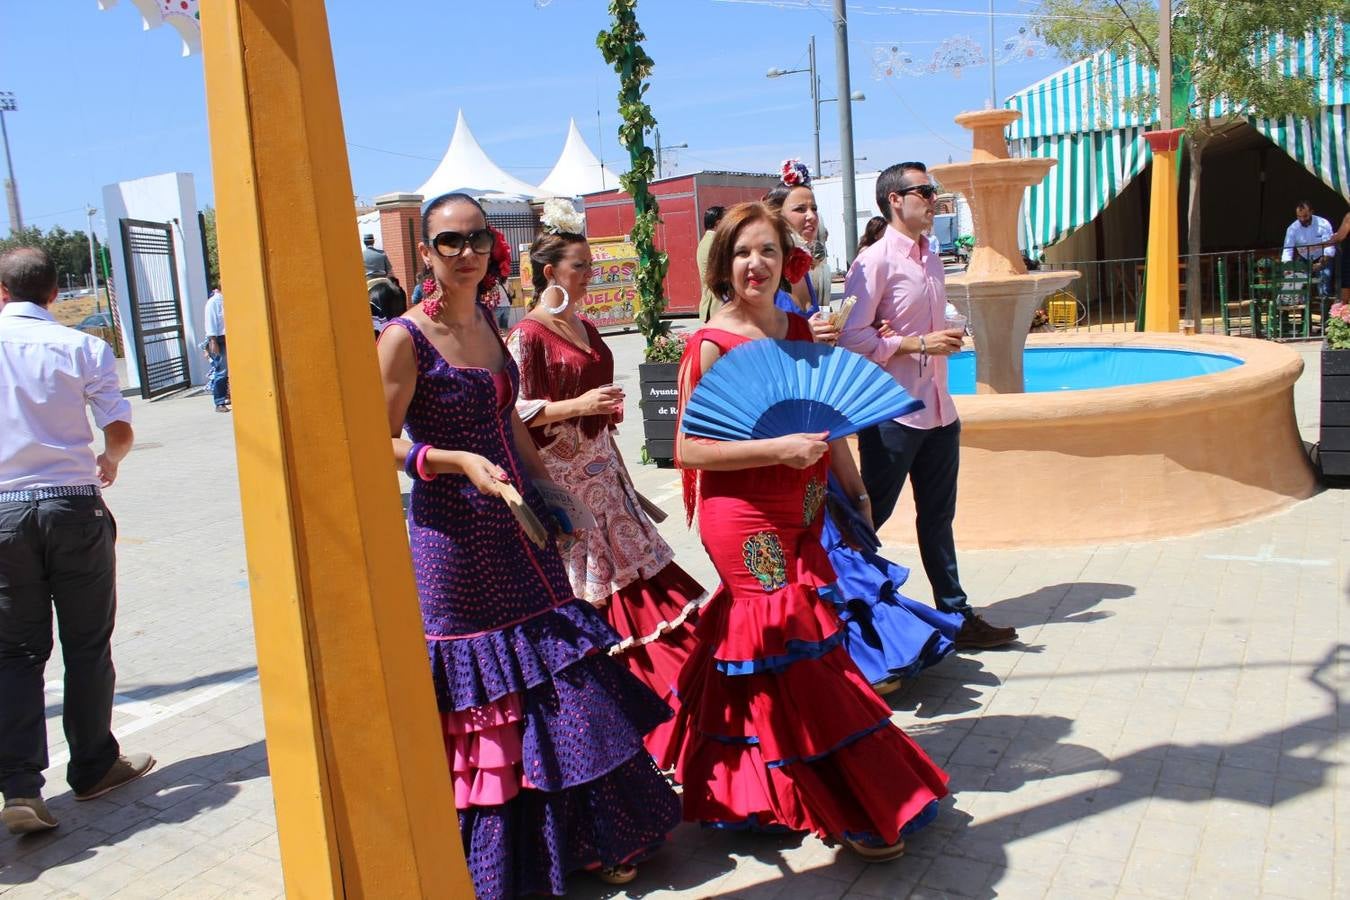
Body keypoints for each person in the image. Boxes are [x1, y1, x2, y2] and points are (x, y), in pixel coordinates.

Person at [376, 192, 679, 897]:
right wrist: (449, 462)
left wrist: (549, 489)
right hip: (453, 537)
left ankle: (590, 836)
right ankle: (504, 860)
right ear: (425, 253)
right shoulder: (403, 337)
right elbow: (375, 440)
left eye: (478, 238)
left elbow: (508, 418)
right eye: (450, 241)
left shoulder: (489, 317)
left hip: (520, 524)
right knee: (486, 694)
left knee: (555, 677)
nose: (468, 251)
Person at [672, 202, 949, 861]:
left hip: (807, 502)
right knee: (792, 638)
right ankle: (855, 798)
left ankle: (748, 791)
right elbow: (687, 450)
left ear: (784, 259)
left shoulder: (797, 325)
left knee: (781, 646)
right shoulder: (710, 344)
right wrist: (777, 452)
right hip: (742, 519)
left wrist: (849, 482)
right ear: (723, 265)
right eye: (743, 252)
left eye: (768, 250)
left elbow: (824, 417)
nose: (756, 264)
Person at [507, 218, 708, 769]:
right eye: (580, 266)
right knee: (593, 586)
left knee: (637, 572)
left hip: (604, 471)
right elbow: (512, 409)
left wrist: (609, 434)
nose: (590, 275)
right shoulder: (527, 334)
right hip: (562, 478)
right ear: (550, 272)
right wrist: (577, 407)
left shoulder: (587, 328)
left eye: (590, 265)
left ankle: (669, 703)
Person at [0, 247, 154, 836]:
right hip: (73, 505)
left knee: (15, 651)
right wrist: (108, 462)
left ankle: (19, 786)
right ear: (55, 294)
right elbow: (118, 428)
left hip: (6, 517)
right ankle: (92, 766)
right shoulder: (83, 347)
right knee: (87, 642)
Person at [840, 162, 1018, 651]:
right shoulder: (873, 262)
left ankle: (956, 617)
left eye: (933, 190)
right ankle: (846, 616)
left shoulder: (931, 255)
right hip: (894, 414)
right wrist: (917, 343)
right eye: (924, 190)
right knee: (869, 517)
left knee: (938, 517)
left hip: (940, 410)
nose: (933, 198)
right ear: (895, 199)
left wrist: (943, 335)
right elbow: (850, 338)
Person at [764, 160, 837, 344]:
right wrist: (805, 331)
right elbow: (749, 335)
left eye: (814, 209)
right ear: (777, 215)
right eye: (800, 209)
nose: (811, 216)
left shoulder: (802, 266)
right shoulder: (765, 269)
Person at [1282, 201, 1336, 299]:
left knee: (1324, 286)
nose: (1302, 219)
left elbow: (1329, 245)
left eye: (1305, 216)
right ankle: (1305, 311)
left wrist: (1323, 261)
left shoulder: (1323, 224)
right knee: (1301, 287)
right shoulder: (1293, 228)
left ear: (1311, 212)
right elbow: (1287, 249)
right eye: (1299, 216)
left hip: (1322, 258)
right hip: (1304, 259)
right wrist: (1287, 266)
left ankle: (1324, 312)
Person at [696, 205, 726, 322]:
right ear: (718, 223)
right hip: (718, 305)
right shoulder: (716, 244)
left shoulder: (706, 241)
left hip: (713, 305)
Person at [203, 286, 229, 412]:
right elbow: (210, 323)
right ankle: (219, 402)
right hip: (219, 339)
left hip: (229, 337)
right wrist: (213, 341)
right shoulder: (214, 302)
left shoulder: (228, 300)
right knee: (221, 371)